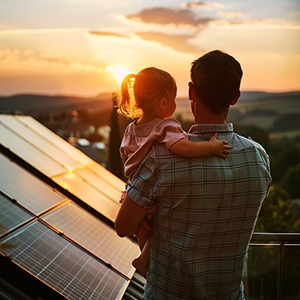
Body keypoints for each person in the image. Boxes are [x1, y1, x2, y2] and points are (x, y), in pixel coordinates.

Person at [115, 50, 271, 300]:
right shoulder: (258, 158)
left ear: (191, 92)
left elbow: (123, 226)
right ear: (235, 98)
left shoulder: (159, 158)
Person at [117, 67, 230, 277]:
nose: (176, 104)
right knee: (159, 228)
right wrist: (212, 148)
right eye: (174, 99)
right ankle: (145, 261)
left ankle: (145, 261)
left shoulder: (131, 129)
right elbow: (184, 148)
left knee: (145, 231)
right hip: (153, 199)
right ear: (162, 103)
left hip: (133, 192)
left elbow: (125, 155)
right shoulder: (166, 126)